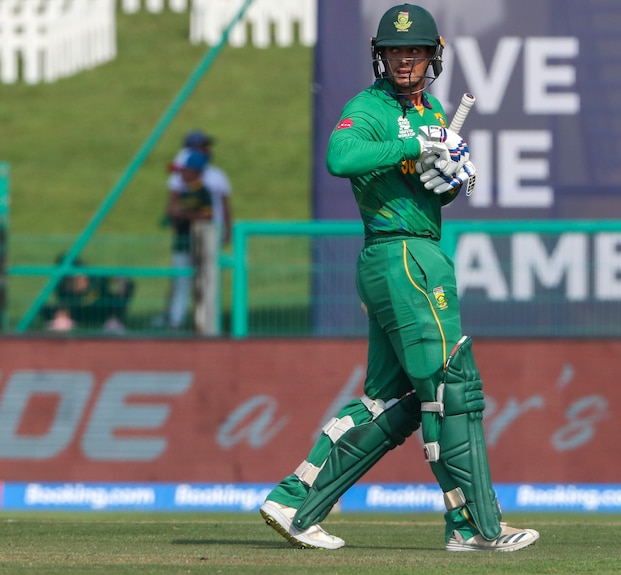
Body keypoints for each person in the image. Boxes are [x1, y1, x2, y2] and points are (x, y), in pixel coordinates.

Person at [259, 4, 539, 553]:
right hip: (403, 255)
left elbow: (432, 185)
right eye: (394, 51)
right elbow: (341, 157)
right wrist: (415, 146)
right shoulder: (367, 107)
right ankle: (477, 526)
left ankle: (295, 502)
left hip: (411, 254)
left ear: (433, 55)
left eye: (414, 51)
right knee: (451, 388)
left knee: (395, 399)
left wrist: (450, 178)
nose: (404, 60)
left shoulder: (435, 110)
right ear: (379, 57)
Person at [163, 150, 214, 330]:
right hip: (182, 244)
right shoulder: (182, 193)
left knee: (201, 285)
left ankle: (201, 323)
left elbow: (208, 217)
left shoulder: (202, 192)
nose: (181, 175)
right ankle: (176, 321)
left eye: (185, 171)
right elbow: (170, 213)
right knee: (181, 284)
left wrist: (183, 214)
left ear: (195, 171)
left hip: (199, 247)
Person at [42, 255, 135, 334]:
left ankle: (113, 322)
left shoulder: (97, 278)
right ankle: (63, 323)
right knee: (43, 307)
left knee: (126, 288)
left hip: (102, 311)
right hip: (78, 314)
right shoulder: (62, 287)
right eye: (71, 279)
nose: (78, 282)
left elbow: (118, 278)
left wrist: (122, 284)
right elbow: (63, 304)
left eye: (80, 277)